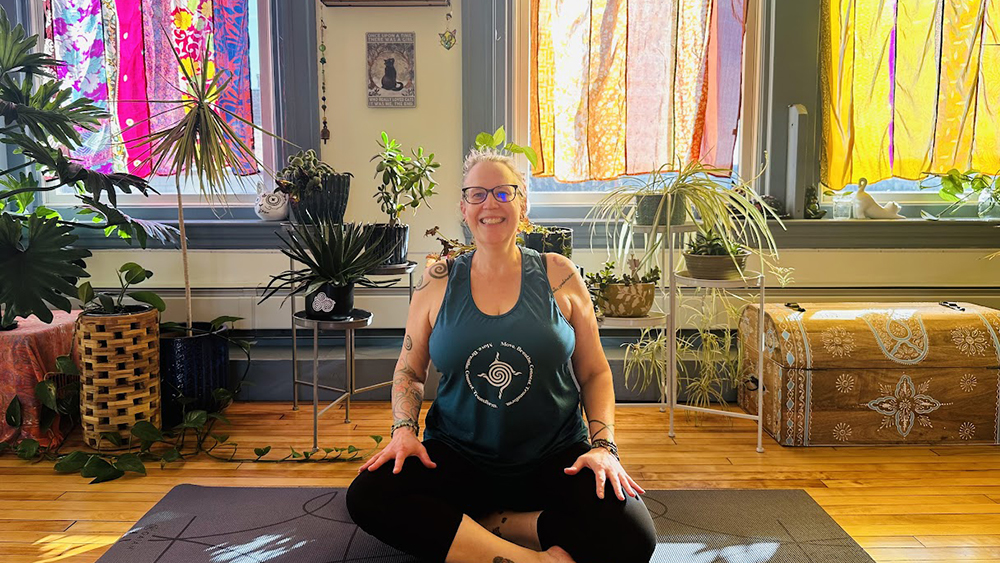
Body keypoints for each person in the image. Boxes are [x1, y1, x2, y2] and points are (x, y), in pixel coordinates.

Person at [346, 148, 657, 563]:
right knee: (369, 494)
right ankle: (533, 557)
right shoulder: (436, 281)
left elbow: (596, 372)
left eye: (503, 192)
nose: (490, 203)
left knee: (634, 531)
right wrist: (403, 430)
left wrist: (604, 446)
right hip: (460, 459)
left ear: (522, 203)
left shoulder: (559, 274)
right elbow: (409, 369)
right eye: (477, 194)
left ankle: (497, 524)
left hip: (554, 459)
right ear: (463, 207)